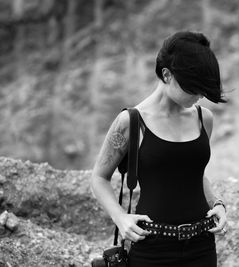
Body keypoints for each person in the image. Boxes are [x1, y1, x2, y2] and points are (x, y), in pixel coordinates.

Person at [90, 31, 227, 267]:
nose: (200, 95)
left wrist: (217, 203)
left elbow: (192, 171)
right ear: (167, 75)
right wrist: (120, 217)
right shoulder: (130, 122)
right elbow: (99, 177)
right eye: (193, 88)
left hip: (202, 247)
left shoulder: (204, 118)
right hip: (152, 249)